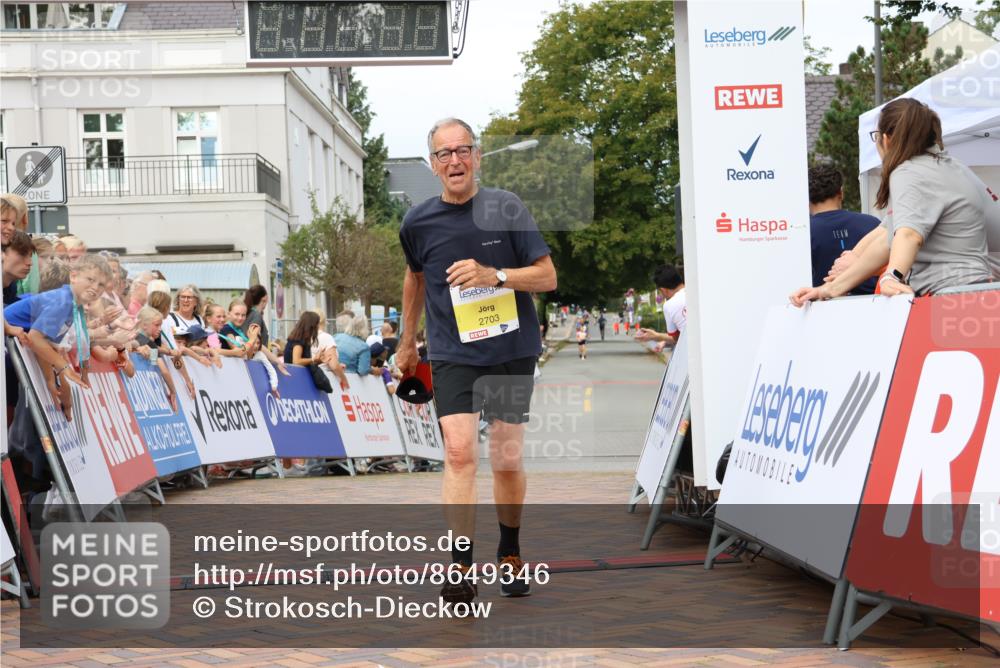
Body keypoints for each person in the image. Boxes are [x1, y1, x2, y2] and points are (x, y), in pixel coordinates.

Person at [396, 117, 557, 604]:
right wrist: (407, 340)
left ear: (478, 156)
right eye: (444, 154)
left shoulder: (505, 207)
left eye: (462, 150)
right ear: (433, 165)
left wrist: (497, 275)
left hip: (510, 349)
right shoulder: (417, 222)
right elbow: (415, 278)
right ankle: (460, 568)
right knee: (460, 453)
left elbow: (546, 277)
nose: (455, 161)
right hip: (453, 353)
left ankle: (509, 552)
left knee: (506, 458)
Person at [792, 98, 993, 304]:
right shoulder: (949, 167)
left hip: (949, 296)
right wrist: (831, 287)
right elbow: (887, 236)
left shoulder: (909, 172)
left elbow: (908, 235)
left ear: (886, 139)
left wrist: (891, 275)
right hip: (971, 292)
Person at [807, 164, 880, 294]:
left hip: (821, 304)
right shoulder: (873, 224)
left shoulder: (803, 233)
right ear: (841, 193)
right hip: (875, 305)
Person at [243, 284, 290, 376]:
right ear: (264, 300)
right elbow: (255, 342)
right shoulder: (256, 316)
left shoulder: (247, 315)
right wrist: (276, 360)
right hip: (255, 361)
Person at [636, 264, 686, 348]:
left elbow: (676, 338)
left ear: (663, 290)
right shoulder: (697, 290)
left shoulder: (670, 305)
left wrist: (655, 336)